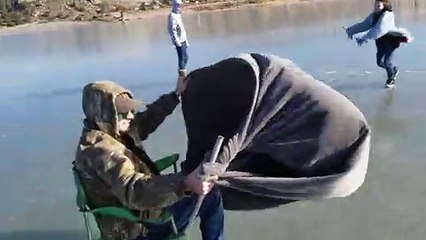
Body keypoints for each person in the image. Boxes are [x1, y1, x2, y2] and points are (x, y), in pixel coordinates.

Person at [73, 76, 224, 240]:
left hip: (142, 210)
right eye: (123, 113)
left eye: (131, 110)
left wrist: (175, 95)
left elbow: (148, 119)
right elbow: (135, 190)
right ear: (103, 113)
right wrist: (185, 184)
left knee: (197, 184)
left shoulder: (111, 131)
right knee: (211, 195)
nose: (130, 116)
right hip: (142, 228)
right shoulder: (101, 151)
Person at [345, 0, 412, 88]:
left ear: (384, 6)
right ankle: (393, 70)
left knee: (386, 62)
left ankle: (391, 79)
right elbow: (364, 25)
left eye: (378, 6)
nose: (376, 7)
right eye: (375, 5)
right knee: (379, 62)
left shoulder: (387, 16)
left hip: (391, 41)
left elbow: (379, 29)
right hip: (380, 41)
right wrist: (351, 30)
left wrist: (364, 37)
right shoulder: (373, 15)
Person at [168, 0, 189, 78]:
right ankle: (182, 76)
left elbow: (181, 28)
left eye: (180, 5)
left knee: (186, 57)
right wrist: (176, 41)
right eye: (177, 5)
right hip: (178, 41)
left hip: (183, 39)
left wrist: (186, 40)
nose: (179, 7)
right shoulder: (172, 16)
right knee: (182, 57)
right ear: (174, 5)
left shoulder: (178, 15)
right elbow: (172, 30)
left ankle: (181, 72)